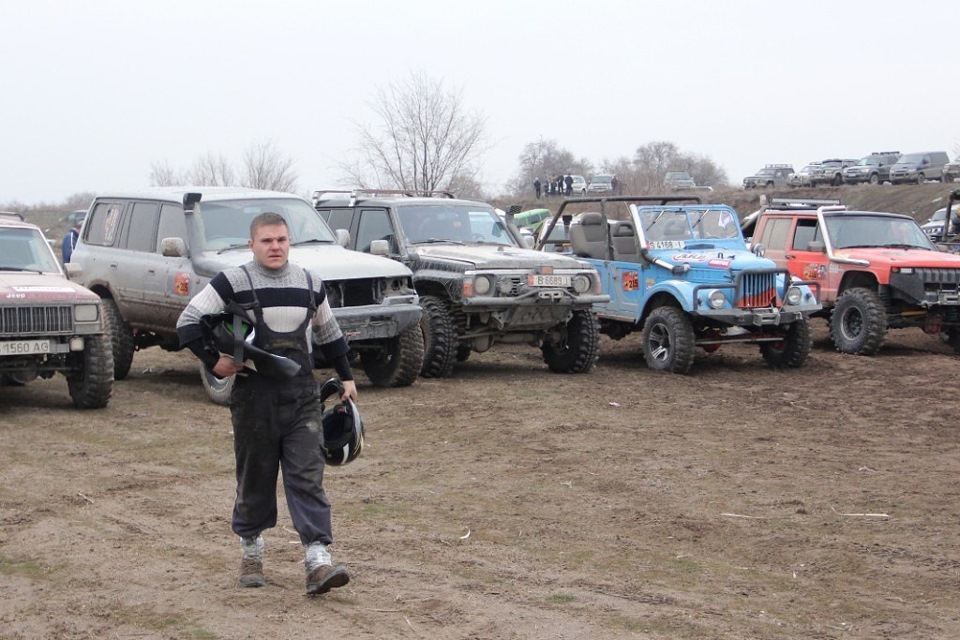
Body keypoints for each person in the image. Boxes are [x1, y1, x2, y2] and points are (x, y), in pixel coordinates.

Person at [176, 211, 358, 595]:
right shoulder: (232, 281)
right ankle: (251, 550)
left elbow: (329, 334)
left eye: (281, 240)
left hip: (302, 398)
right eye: (267, 241)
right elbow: (188, 321)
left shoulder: (310, 283)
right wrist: (214, 361)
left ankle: (317, 561)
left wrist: (347, 377)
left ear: (290, 242)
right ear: (252, 244)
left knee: (307, 477)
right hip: (253, 399)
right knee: (255, 478)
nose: (275, 247)